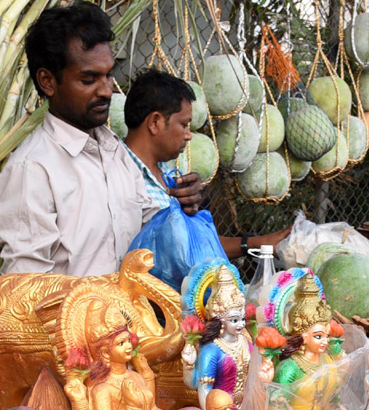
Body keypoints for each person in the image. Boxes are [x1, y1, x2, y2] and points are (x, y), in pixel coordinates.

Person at [0, 2, 202, 276]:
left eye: (109, 74)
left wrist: (184, 205)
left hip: (132, 316)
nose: (106, 90)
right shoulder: (32, 170)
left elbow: (151, 230)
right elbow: (28, 289)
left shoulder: (114, 150)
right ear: (48, 82)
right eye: (89, 79)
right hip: (75, 319)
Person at [122, 69, 290, 265]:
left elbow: (193, 245)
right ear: (155, 122)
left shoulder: (168, 173)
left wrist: (254, 243)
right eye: (184, 125)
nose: (188, 135)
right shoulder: (120, 176)